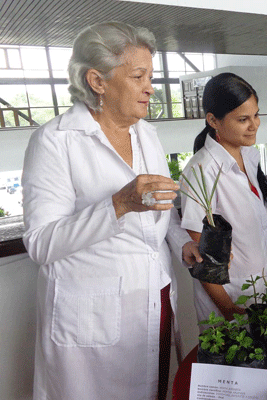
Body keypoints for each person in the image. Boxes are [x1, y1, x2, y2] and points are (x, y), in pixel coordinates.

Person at [21, 22, 200, 400]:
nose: (150, 87)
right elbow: (40, 243)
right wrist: (118, 204)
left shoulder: (146, 134)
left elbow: (157, 208)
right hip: (92, 319)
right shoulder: (54, 142)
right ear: (97, 81)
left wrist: (181, 240)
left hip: (155, 300)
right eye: (138, 76)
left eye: (150, 76)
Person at [181, 72, 267, 324]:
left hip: (261, 290)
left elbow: (246, 217)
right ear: (213, 121)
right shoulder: (201, 171)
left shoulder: (248, 157)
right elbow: (201, 259)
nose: (254, 125)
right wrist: (229, 310)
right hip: (229, 300)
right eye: (243, 119)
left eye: (256, 115)